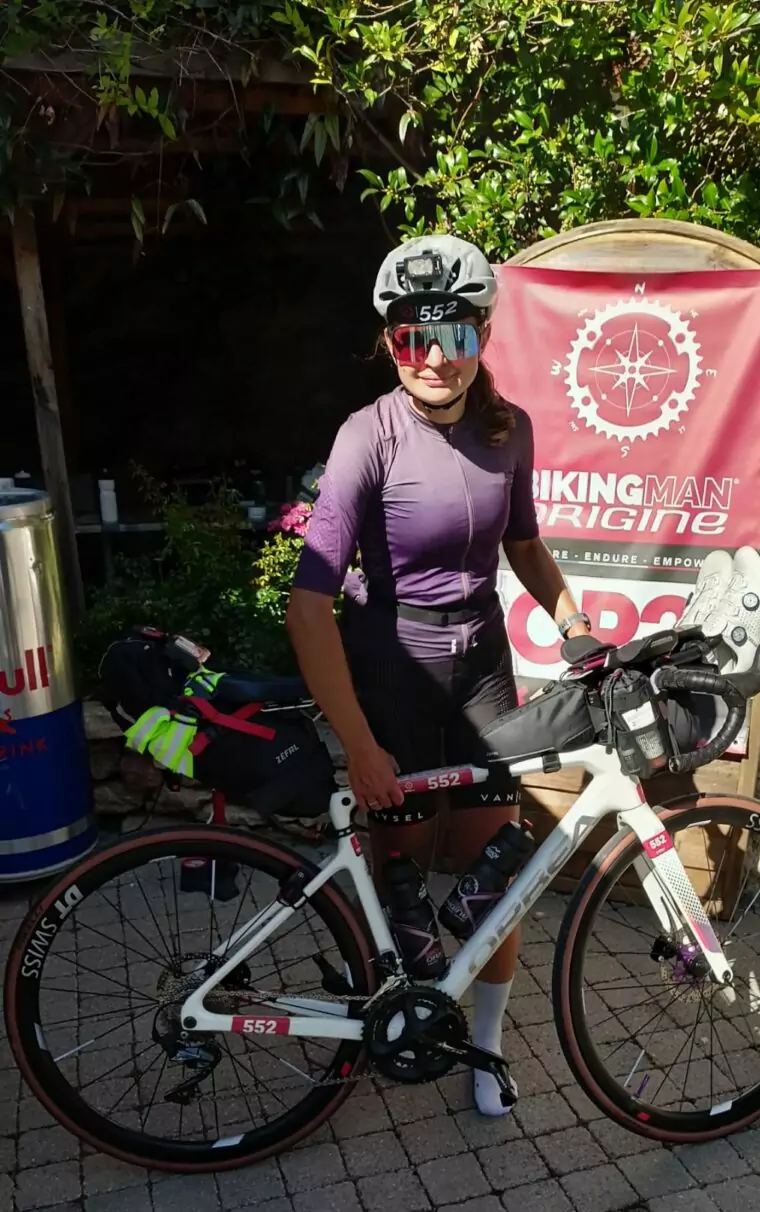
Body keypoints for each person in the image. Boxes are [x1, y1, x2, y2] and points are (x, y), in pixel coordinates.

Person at [286, 233, 593, 1115]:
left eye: (453, 335)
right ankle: (396, 1015)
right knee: (403, 867)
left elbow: (524, 544)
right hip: (394, 672)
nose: (433, 357)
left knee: (498, 873)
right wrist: (360, 744)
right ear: (390, 342)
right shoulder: (367, 436)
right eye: (411, 337)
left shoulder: (509, 428)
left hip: (483, 668)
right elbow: (308, 605)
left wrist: (574, 625)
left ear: (483, 335)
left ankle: (484, 1046)